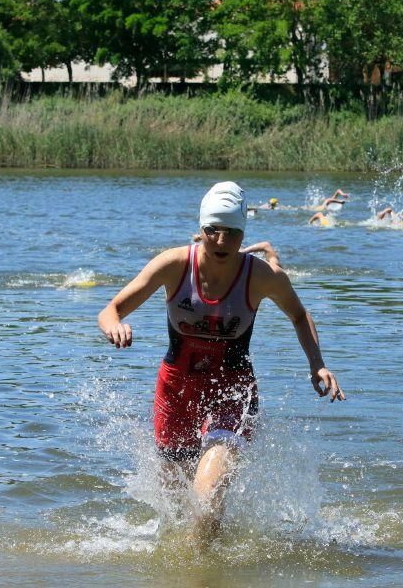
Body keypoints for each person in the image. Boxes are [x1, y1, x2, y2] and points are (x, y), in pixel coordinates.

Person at [97, 181, 344, 541]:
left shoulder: (260, 276)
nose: (222, 241)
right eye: (213, 230)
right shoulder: (174, 265)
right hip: (176, 388)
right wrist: (114, 325)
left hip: (233, 390)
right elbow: (110, 309)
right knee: (177, 506)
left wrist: (316, 364)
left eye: (232, 232)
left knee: (208, 495)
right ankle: (197, 568)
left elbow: (298, 314)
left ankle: (202, 568)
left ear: (243, 232)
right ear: (201, 229)